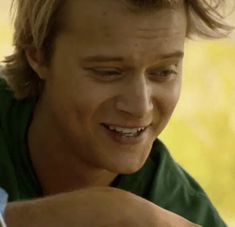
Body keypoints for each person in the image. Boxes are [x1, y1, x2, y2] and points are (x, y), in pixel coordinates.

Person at [0, 0, 232, 226]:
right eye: (108, 72)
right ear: (38, 55)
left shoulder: (182, 213)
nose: (140, 107)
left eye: (163, 72)